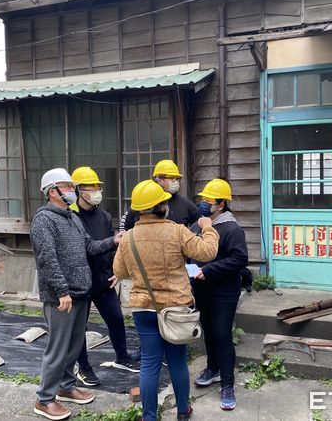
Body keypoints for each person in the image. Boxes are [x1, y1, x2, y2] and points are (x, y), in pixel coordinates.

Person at [113, 179, 219, 421]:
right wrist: (208, 227)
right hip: (176, 308)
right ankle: (183, 411)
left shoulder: (128, 238)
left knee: (150, 363)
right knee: (177, 361)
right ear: (162, 206)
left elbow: (119, 272)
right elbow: (207, 252)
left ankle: (149, 417)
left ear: (139, 210)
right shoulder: (176, 231)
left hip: (144, 308)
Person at [30, 168, 123, 421]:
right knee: (58, 349)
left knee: (73, 347)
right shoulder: (43, 221)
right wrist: (62, 291)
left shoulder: (72, 218)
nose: (73, 190)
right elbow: (47, 260)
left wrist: (114, 241)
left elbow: (89, 247)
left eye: (72, 186)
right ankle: (44, 399)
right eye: (68, 186)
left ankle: (66, 386)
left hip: (81, 292)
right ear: (53, 191)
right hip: (61, 297)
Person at [69, 166, 139, 389]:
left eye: (98, 186)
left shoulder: (104, 216)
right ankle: (84, 368)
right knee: (79, 328)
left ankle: (122, 357)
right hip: (80, 282)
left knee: (116, 319)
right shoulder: (71, 217)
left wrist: (116, 271)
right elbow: (87, 247)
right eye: (90, 187)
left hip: (103, 279)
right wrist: (113, 242)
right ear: (78, 190)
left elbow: (111, 249)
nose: (96, 190)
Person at [189, 178, 249, 411]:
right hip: (202, 289)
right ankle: (212, 368)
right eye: (203, 199)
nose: (204, 203)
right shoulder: (200, 224)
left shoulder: (231, 228)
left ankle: (227, 384)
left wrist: (209, 270)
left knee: (223, 335)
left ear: (221, 204)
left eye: (208, 201)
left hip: (224, 292)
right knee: (209, 333)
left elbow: (239, 259)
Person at [119, 159, 200, 231]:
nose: (175, 181)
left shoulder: (185, 204)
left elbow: (201, 223)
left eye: (177, 178)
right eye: (171, 178)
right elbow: (123, 227)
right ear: (158, 179)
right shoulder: (145, 200)